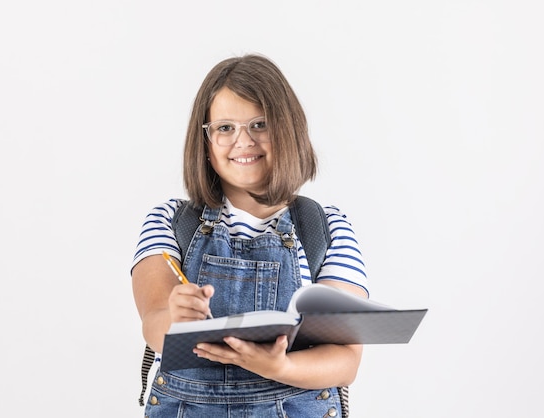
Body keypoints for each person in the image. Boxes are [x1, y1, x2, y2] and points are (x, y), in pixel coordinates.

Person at [131, 53, 370, 417]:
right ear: (206, 143)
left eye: (260, 124)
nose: (243, 141)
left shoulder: (325, 229)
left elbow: (345, 359)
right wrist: (175, 319)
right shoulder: (170, 221)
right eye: (225, 128)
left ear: (288, 131)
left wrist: (281, 368)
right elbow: (153, 324)